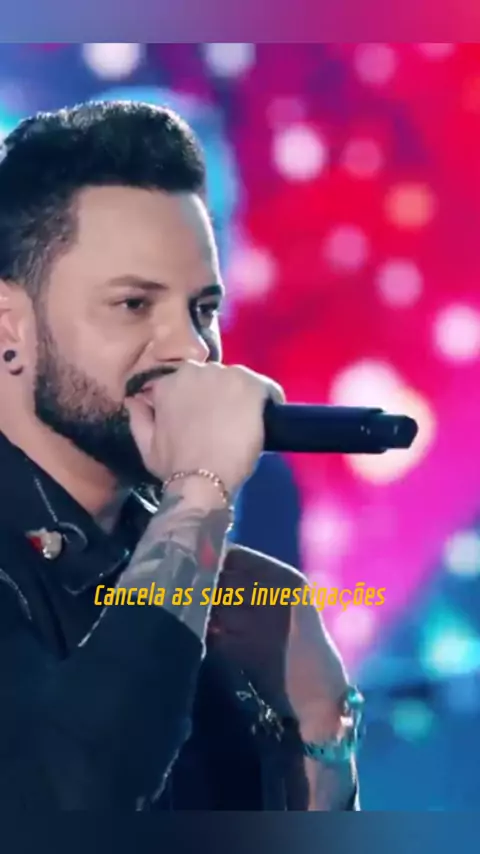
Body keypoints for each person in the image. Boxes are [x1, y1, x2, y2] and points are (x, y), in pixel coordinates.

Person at [0, 101, 361, 810]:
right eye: (134, 304)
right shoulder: (188, 535)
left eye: (203, 309)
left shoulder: (196, 572)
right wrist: (200, 491)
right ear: (9, 327)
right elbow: (69, 797)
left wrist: (320, 723)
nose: (193, 348)